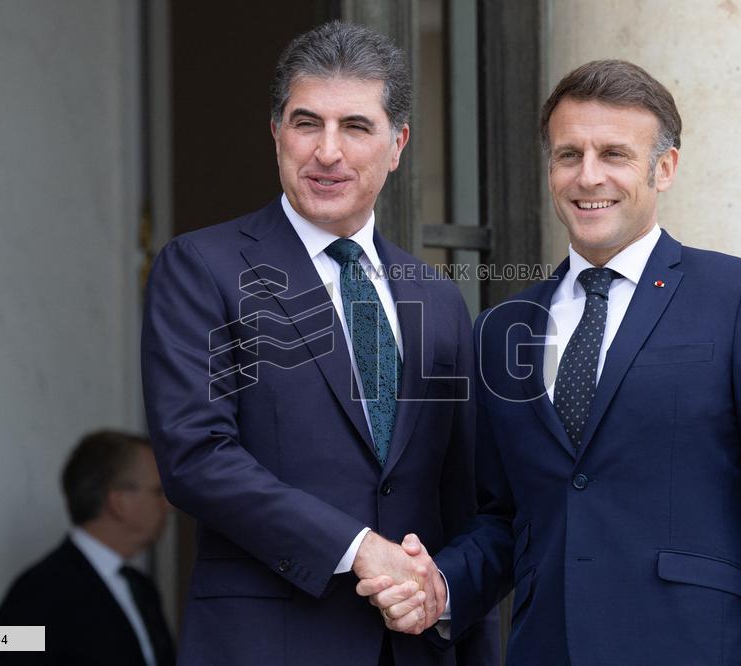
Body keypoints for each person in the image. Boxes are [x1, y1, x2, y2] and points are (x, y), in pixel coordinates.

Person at [363, 59, 741, 665]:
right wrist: (441, 585)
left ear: (663, 168)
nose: (588, 177)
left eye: (613, 154)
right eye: (568, 155)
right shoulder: (502, 329)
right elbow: (506, 520)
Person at [140, 20, 496, 666]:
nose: (327, 151)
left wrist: (443, 594)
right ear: (276, 133)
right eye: (307, 124)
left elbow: (465, 500)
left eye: (356, 127)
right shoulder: (201, 268)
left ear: (398, 144)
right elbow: (196, 457)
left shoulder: (438, 298)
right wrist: (360, 547)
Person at [0, 430, 175, 666]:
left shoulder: (142, 588)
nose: (169, 506)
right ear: (120, 502)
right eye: (158, 492)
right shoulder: (36, 592)